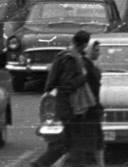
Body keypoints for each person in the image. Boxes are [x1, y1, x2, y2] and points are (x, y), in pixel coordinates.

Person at [32, 31, 97, 167]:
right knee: (77, 143)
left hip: (66, 107)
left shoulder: (64, 55)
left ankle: (39, 164)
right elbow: (67, 86)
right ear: (83, 44)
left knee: (67, 142)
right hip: (70, 107)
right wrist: (84, 77)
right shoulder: (71, 59)